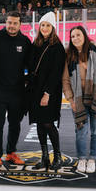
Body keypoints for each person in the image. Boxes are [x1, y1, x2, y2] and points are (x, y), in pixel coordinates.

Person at [0, 11, 32, 172]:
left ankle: (11, 153)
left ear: (20, 24)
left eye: (15, 23)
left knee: (15, 124)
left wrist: (27, 80)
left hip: (17, 91)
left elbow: (30, 64)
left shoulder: (25, 41)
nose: (11, 26)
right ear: (6, 22)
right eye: (9, 22)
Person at [62, 25, 96, 173]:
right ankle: (82, 158)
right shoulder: (68, 55)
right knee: (81, 130)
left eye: (78, 35)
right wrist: (70, 99)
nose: (75, 38)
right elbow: (65, 80)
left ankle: (92, 158)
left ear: (84, 35)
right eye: (72, 36)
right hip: (78, 99)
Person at [26, 12, 66, 170]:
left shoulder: (57, 47)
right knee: (39, 123)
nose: (44, 28)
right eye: (42, 25)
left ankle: (57, 156)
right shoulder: (35, 44)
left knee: (48, 123)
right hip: (35, 90)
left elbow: (56, 73)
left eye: (48, 25)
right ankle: (44, 157)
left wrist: (47, 94)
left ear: (53, 28)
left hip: (50, 92)